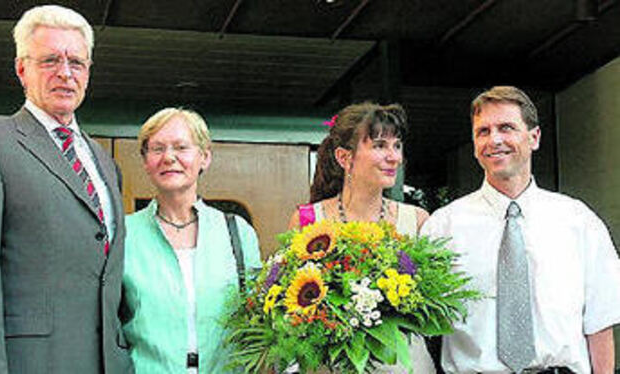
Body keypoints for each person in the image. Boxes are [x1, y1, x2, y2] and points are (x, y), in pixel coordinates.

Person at [0, 5, 132, 373]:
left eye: (76, 62)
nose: (65, 73)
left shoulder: (104, 162)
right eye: (50, 60)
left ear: (88, 71)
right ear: (22, 69)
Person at [421, 86, 620, 374]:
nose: (495, 140)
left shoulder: (579, 221)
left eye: (506, 128)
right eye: (483, 131)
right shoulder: (442, 228)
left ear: (534, 137)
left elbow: (599, 321)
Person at [288, 102, 436, 374]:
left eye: (397, 146)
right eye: (380, 146)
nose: (394, 157)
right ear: (345, 158)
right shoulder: (308, 220)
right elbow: (291, 312)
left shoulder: (416, 221)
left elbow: (432, 309)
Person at [122, 107, 262, 373]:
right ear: (145, 161)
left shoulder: (237, 233)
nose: (169, 157)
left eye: (181, 147)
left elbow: (257, 321)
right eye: (157, 149)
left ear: (204, 158)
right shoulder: (125, 234)